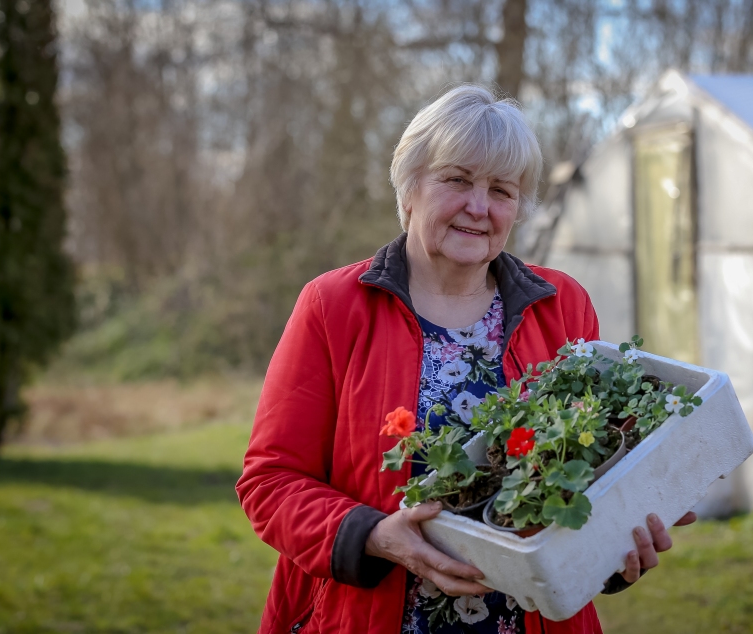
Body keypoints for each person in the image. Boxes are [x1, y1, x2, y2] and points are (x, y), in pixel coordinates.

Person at [236, 85, 696, 634]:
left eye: (501, 190)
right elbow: (271, 480)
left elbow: (590, 475)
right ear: (410, 188)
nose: (479, 207)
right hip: (371, 616)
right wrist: (376, 536)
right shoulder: (334, 306)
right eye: (456, 180)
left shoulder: (561, 306)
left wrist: (616, 549)